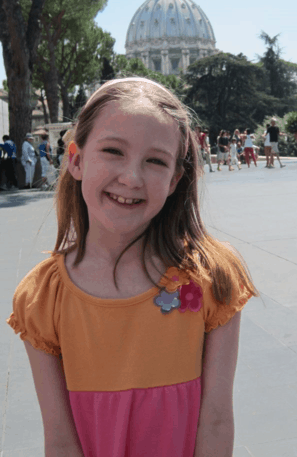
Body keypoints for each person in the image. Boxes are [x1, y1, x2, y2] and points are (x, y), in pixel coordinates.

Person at [6, 77, 259, 457]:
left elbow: (217, 418)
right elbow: (59, 438)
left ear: (175, 179)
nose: (131, 178)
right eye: (113, 151)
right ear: (75, 160)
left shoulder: (214, 276)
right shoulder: (41, 297)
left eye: (155, 160)